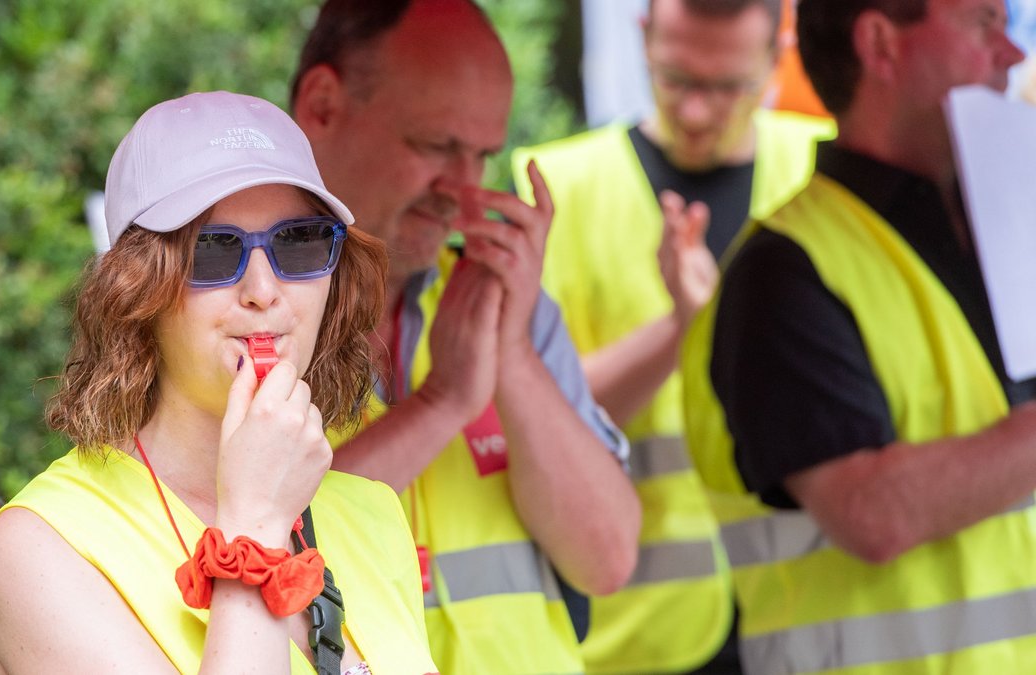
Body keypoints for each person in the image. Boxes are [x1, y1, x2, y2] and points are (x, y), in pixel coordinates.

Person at [0, 91, 439, 674]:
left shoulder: (371, 511)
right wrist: (253, 529)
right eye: (213, 253)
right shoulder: (43, 548)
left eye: (299, 243)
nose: (264, 291)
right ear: (135, 290)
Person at [679, 0, 1036, 672]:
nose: (1012, 54)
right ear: (881, 43)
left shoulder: (1004, 233)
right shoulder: (781, 272)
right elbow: (871, 513)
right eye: (984, 23)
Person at [290, 1, 642, 672]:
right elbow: (250, 553)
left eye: (483, 154)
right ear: (324, 104)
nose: (463, 190)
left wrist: (510, 353)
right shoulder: (243, 301)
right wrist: (444, 399)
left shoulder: (503, 298)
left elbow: (606, 557)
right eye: (435, 146)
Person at [512, 1, 831, 672]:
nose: (695, 110)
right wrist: (682, 329)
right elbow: (537, 418)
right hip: (642, 633)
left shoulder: (824, 167)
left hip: (812, 610)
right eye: (675, 78)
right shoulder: (558, 187)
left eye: (727, 87)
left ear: (779, 57)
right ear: (643, 41)